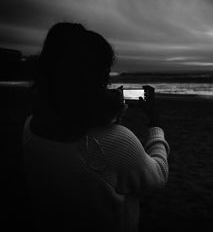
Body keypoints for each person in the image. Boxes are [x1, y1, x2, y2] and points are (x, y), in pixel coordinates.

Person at [22, 22, 170, 232]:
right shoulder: (115, 141)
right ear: (96, 78)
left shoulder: (31, 126)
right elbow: (158, 175)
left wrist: (110, 111)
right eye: (105, 74)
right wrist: (155, 123)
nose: (108, 81)